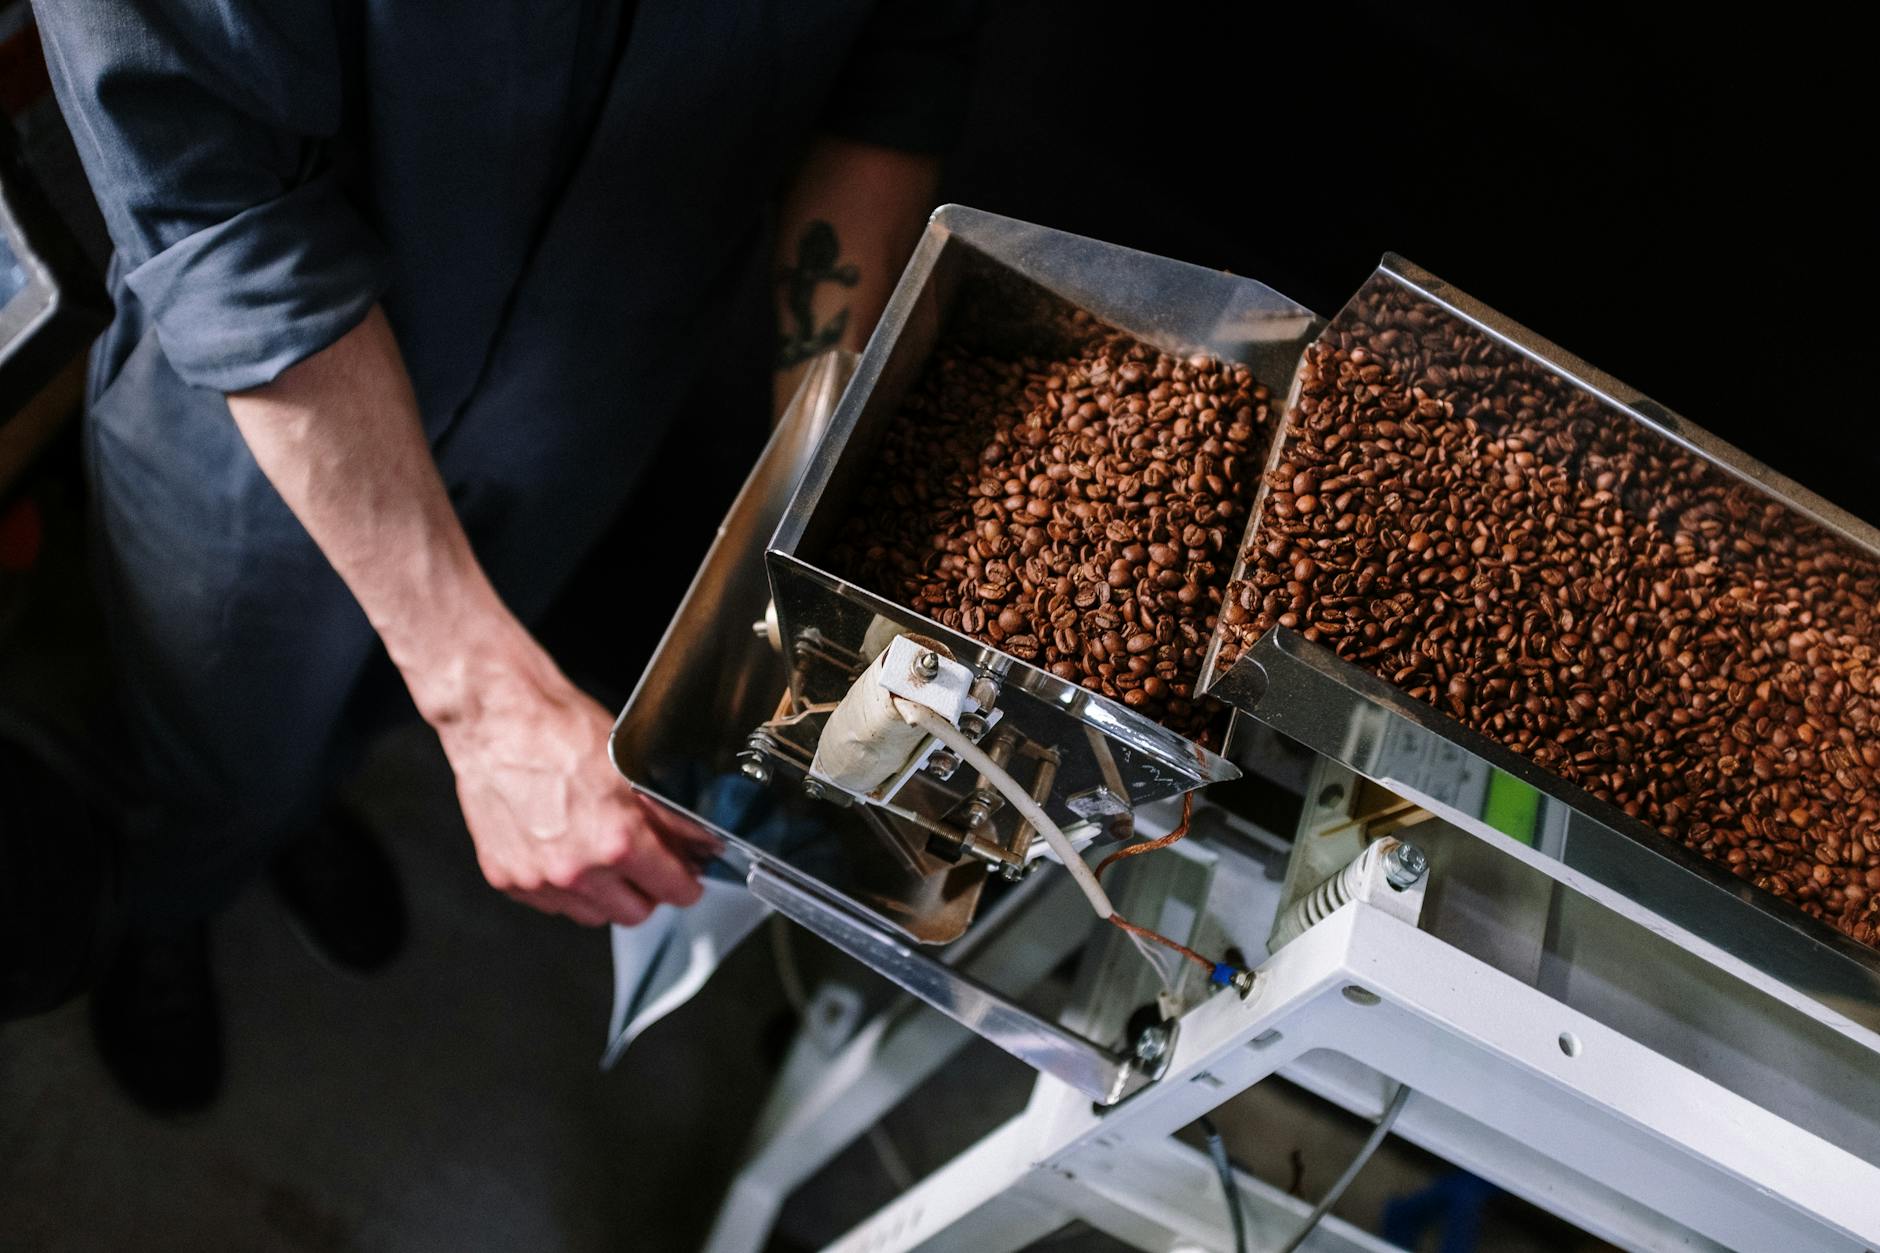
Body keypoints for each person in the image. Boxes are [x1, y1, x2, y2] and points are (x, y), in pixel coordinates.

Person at [31, 0, 975, 1113]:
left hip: (581, 407)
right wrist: (483, 700)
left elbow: (886, 86)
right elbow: (214, 204)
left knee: (365, 713)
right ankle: (170, 904)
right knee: (209, 729)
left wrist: (821, 499)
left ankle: (298, 811)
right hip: (263, 425)